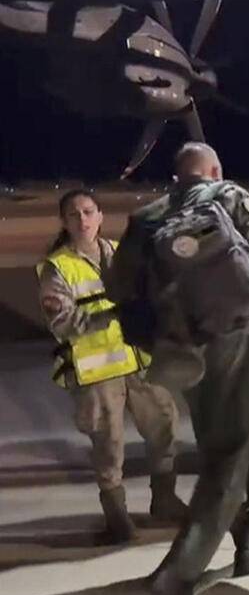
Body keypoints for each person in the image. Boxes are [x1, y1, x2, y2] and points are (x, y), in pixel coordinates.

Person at [106, 143, 249, 595]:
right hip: (236, 339)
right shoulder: (230, 196)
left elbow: (118, 289)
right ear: (213, 171)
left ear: (177, 176)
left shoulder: (148, 217)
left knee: (225, 443)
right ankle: (177, 575)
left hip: (183, 351)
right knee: (232, 453)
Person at [37, 189, 186, 544]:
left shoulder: (123, 254)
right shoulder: (57, 268)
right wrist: (110, 315)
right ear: (64, 222)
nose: (83, 220)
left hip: (140, 362)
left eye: (88, 212)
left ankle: (164, 500)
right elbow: (62, 323)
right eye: (74, 215)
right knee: (109, 445)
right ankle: (116, 517)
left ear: (101, 216)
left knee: (164, 426)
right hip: (97, 371)